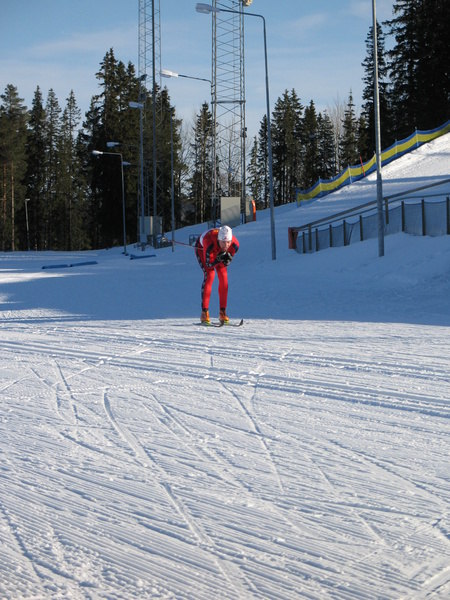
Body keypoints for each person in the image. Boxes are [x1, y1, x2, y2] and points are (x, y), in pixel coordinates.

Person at [195, 225, 239, 324]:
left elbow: (225, 263)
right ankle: (204, 312)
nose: (226, 245)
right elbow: (209, 264)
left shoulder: (234, 245)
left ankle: (223, 312)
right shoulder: (208, 242)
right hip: (203, 248)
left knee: (223, 277)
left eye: (228, 242)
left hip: (216, 250)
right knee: (210, 275)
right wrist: (218, 259)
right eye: (223, 242)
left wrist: (226, 260)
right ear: (219, 240)